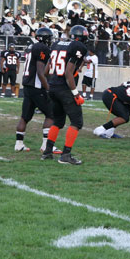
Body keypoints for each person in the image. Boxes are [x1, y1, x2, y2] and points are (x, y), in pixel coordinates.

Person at [40, 24, 89, 164]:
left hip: (53, 87)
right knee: (77, 122)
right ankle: (66, 155)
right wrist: (75, 94)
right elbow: (68, 73)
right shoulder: (78, 47)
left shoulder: (56, 44)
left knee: (58, 121)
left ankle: (47, 152)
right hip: (65, 88)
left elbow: (45, 71)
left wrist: (52, 85)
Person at [15, 27, 56, 152]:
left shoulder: (32, 47)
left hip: (27, 86)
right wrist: (48, 89)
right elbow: (40, 71)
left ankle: (19, 144)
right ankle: (46, 145)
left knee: (25, 117)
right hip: (36, 86)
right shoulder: (42, 48)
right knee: (51, 115)